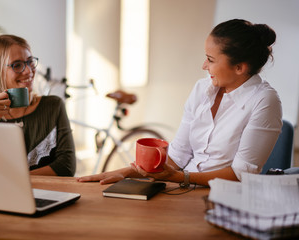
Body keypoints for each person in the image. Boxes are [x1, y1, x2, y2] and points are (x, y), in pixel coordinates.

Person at [77, 19, 282, 186]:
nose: (204, 66)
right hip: (183, 187)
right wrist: (124, 173)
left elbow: (241, 174)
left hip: (224, 197)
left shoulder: (264, 100)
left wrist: (179, 178)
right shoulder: (202, 89)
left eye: (210, 60)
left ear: (240, 67)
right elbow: (178, 155)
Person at [0, 34, 76, 176]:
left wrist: (18, 180)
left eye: (30, 62)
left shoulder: (54, 106)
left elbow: (66, 166)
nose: (29, 71)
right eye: (17, 65)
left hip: (50, 196)